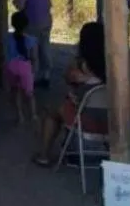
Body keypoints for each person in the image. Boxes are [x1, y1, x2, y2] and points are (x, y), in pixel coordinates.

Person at [33, 21, 106, 166]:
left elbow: (68, 78)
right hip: (115, 123)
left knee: (52, 112)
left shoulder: (81, 65)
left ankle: (44, 155)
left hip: (86, 124)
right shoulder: (116, 65)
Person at [14, 0, 53, 87]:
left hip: (32, 23)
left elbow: (20, 6)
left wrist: (15, 1)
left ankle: (33, 77)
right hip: (46, 21)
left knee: (33, 50)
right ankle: (46, 74)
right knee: (45, 47)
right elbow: (49, 4)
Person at [5, 11, 38, 125]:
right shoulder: (31, 40)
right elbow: (34, 57)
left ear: (12, 24)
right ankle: (33, 115)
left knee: (17, 92)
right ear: (27, 25)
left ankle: (20, 116)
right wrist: (33, 70)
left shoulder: (8, 38)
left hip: (12, 67)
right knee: (30, 94)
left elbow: (5, 54)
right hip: (25, 67)